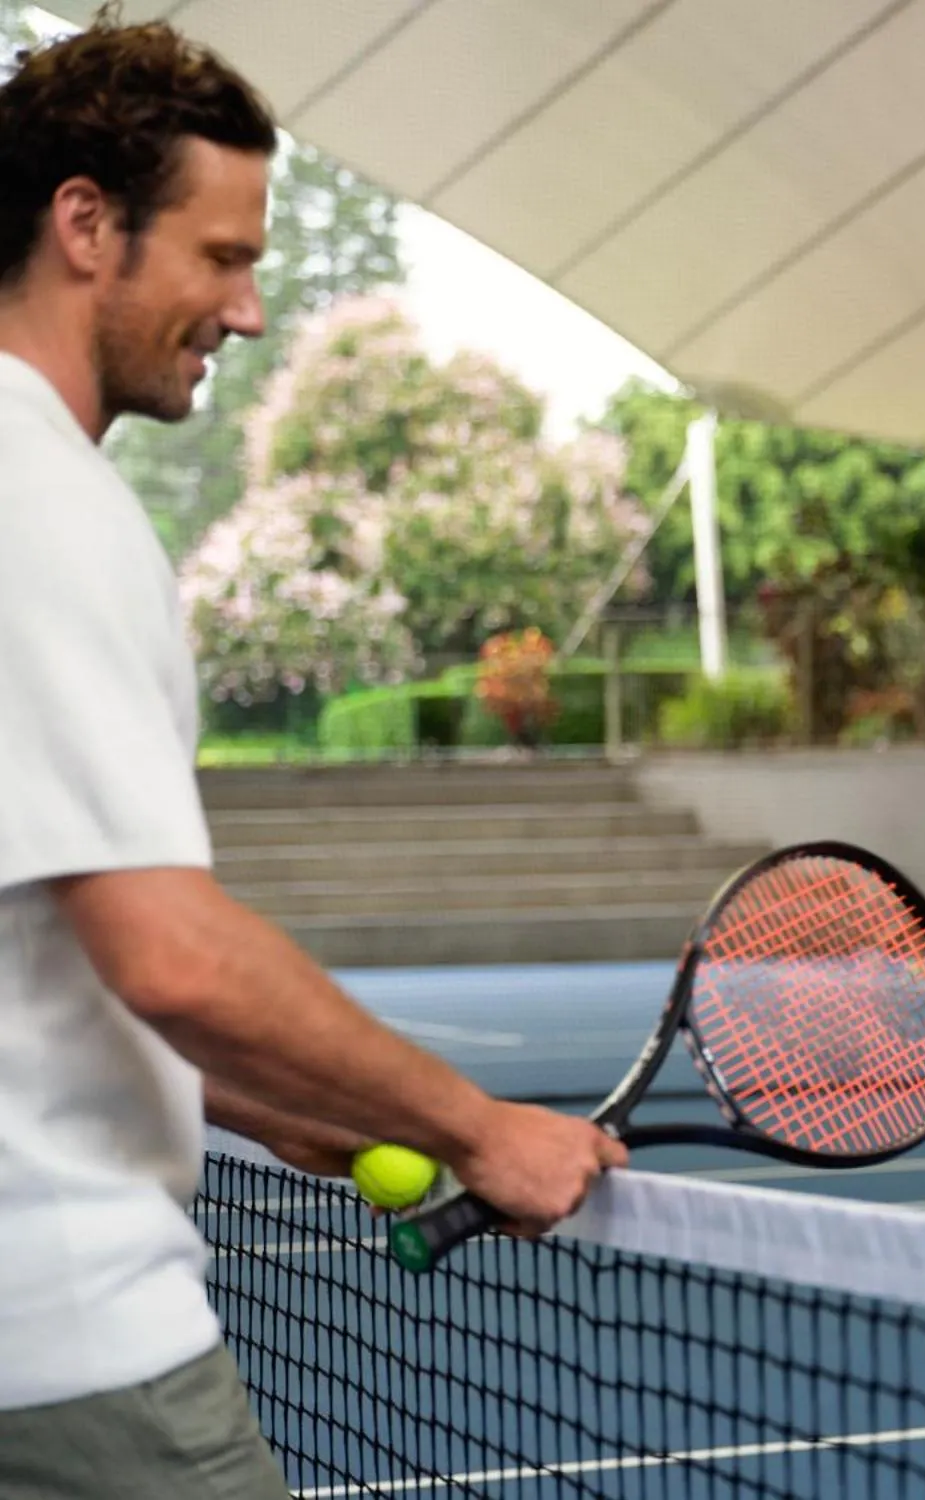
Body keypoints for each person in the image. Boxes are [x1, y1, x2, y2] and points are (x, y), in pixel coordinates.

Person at [0, 14, 627, 1498]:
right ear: (87, 225)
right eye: (222, 256)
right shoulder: (49, 503)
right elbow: (170, 957)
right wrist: (474, 1129)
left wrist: (305, 1111)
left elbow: (50, 955)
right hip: (72, 1342)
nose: (251, 309)